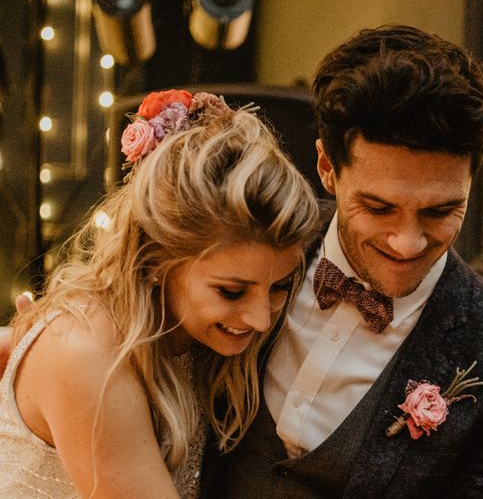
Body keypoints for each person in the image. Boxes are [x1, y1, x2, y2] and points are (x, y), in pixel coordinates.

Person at [201, 25, 483, 497]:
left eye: (441, 211)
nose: (407, 243)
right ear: (327, 168)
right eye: (378, 208)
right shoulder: (250, 241)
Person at [0, 89, 319, 498]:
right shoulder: (88, 355)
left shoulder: (189, 334)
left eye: (279, 287)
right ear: (155, 260)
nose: (260, 318)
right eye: (231, 292)